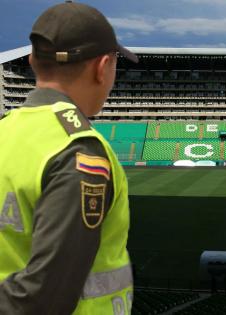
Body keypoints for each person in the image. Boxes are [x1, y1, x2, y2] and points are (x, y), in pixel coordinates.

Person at [0, 2, 138, 314]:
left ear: (34, 60)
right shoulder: (77, 150)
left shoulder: (5, 133)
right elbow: (45, 296)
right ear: (102, 67)